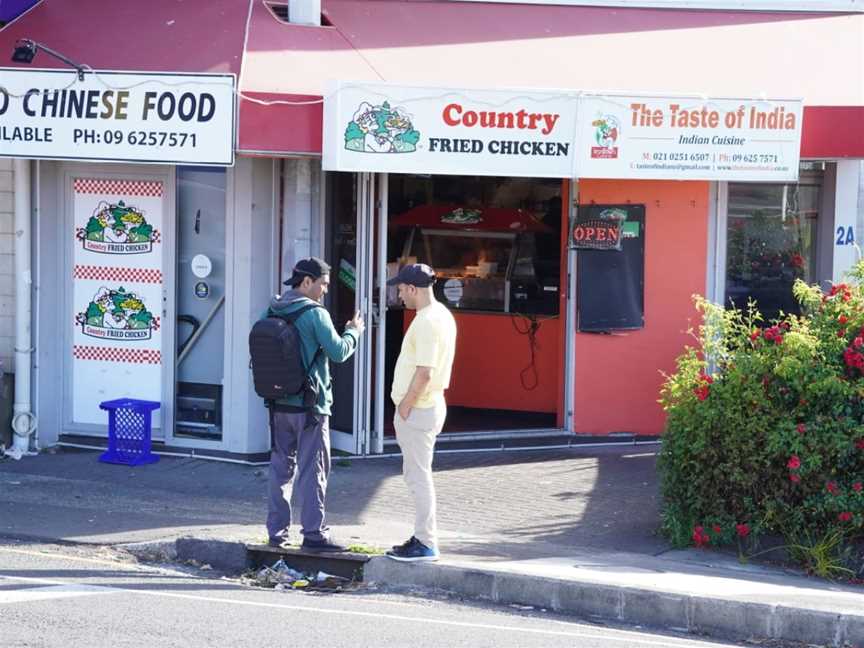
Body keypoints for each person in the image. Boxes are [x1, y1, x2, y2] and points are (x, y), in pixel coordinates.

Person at [264, 257, 365, 552]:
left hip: (277, 404)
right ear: (306, 282)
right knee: (313, 470)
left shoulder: (271, 308)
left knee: (280, 469)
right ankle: (313, 535)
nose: (324, 291)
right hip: (311, 406)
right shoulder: (315, 314)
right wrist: (354, 331)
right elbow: (339, 352)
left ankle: (276, 535)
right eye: (323, 284)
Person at [385, 264, 457, 562]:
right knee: (418, 474)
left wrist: (405, 404)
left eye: (401, 289)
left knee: (418, 477)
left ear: (413, 289)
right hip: (428, 405)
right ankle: (421, 537)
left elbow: (425, 372)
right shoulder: (442, 315)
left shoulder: (427, 321)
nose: (399, 295)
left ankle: (426, 542)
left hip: (419, 408)